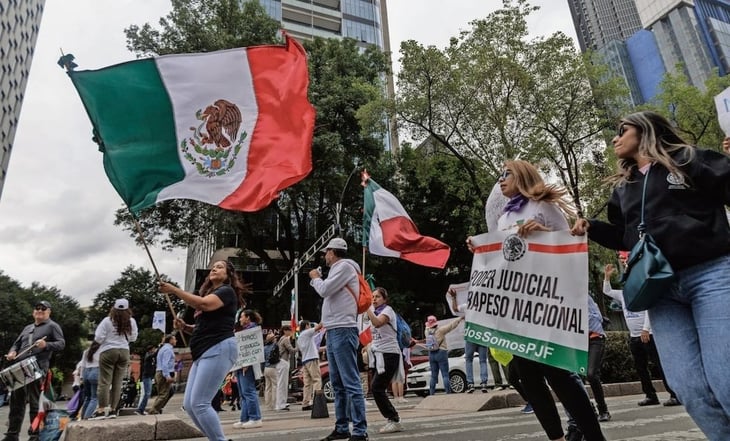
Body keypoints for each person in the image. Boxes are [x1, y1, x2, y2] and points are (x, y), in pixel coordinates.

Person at [571, 111, 730, 440]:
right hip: (660, 292)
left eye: (622, 130)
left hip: (711, 275)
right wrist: (591, 227)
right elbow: (625, 236)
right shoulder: (625, 188)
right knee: (688, 386)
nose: (615, 138)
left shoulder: (688, 158)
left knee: (726, 380)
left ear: (644, 130)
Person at [489, 160, 605, 441]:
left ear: (522, 176)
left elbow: (571, 246)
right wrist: (482, 248)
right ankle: (556, 437)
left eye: (507, 174)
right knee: (528, 376)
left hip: (547, 303)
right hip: (518, 305)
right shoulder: (504, 217)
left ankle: (593, 436)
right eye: (499, 174)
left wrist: (544, 234)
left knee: (558, 375)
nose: (501, 179)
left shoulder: (544, 207)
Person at [160, 260, 248, 441]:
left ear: (228, 275)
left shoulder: (226, 291)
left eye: (220, 267)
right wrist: (185, 327)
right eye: (213, 267)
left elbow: (204, 305)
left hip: (219, 348)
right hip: (203, 352)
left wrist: (174, 290)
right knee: (190, 405)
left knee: (200, 403)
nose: (214, 269)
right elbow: (203, 325)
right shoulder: (213, 294)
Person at [308, 237, 368, 441]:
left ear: (333, 252)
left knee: (350, 382)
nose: (325, 256)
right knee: (337, 383)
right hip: (334, 330)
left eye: (326, 252)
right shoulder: (339, 269)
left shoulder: (344, 267)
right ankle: (342, 427)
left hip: (343, 329)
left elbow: (324, 290)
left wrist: (315, 277)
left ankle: (359, 430)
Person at [603, 261, 679, 407]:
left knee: (659, 365)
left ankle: (674, 394)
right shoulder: (623, 295)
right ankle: (650, 395)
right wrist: (606, 278)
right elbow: (607, 291)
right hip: (634, 337)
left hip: (648, 335)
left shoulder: (643, 291)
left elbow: (650, 311)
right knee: (640, 367)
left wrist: (645, 329)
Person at [2, 300, 65, 441]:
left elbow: (61, 344)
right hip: (20, 368)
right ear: (33, 312)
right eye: (37, 309)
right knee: (16, 403)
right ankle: (12, 435)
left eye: (44, 309)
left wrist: (46, 344)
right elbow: (16, 344)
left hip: (37, 368)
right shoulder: (27, 328)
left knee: (35, 403)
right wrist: (12, 352)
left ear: (49, 312)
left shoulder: (53, 326)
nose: (40, 311)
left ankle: (35, 435)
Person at [365, 287, 404, 434]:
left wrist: (366, 308)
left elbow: (377, 323)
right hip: (379, 355)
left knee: (377, 387)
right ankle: (392, 418)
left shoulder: (387, 311)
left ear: (384, 299)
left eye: (377, 297)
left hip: (389, 354)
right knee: (377, 387)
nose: (374, 299)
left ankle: (394, 419)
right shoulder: (373, 312)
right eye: (372, 297)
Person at [91, 298, 138, 419]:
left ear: (114, 308)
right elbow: (133, 338)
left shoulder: (107, 321)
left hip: (108, 351)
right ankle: (113, 409)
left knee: (105, 382)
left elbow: (98, 337)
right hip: (124, 351)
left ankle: (101, 410)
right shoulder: (131, 321)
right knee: (117, 382)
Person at [448, 288, 490, 393]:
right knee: (483, 360)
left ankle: (470, 383)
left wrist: (454, 297)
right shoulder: (483, 308)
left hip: (470, 335)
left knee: (469, 360)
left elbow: (455, 309)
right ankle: (484, 383)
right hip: (481, 335)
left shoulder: (467, 306)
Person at [232, 309, 263, 429]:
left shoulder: (252, 329)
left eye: (242, 317)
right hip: (241, 365)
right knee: (243, 392)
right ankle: (245, 418)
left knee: (248, 391)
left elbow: (252, 348)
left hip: (247, 365)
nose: (240, 319)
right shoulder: (245, 330)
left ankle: (255, 418)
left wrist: (247, 362)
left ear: (248, 318)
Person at [423, 314, 464, 395]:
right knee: (445, 374)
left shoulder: (426, 331)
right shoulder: (441, 330)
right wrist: (460, 318)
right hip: (441, 352)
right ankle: (448, 392)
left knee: (433, 375)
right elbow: (451, 325)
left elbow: (427, 328)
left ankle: (431, 393)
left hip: (431, 353)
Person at [297, 320, 324, 411]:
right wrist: (325, 316)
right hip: (312, 359)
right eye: (309, 325)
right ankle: (317, 401)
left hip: (305, 360)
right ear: (307, 325)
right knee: (316, 380)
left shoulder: (300, 337)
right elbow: (319, 326)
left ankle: (305, 403)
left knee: (307, 384)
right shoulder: (307, 333)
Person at [149, 334, 177, 414]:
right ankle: (154, 410)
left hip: (161, 372)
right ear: (170, 340)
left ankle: (159, 407)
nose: (176, 341)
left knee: (170, 391)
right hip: (163, 373)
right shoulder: (167, 350)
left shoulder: (163, 348)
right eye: (174, 339)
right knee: (163, 394)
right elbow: (165, 363)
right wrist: (167, 376)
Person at [274, 325, 295, 412]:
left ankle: (281, 403)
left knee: (280, 384)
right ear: (285, 331)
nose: (291, 332)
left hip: (279, 362)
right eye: (290, 330)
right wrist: (300, 347)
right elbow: (291, 350)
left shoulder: (280, 339)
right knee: (282, 384)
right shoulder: (285, 339)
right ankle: (281, 404)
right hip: (283, 362)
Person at [79, 341, 101, 420]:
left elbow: (82, 365)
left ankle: (82, 417)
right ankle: (86, 417)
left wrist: (81, 377)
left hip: (86, 372)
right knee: (94, 398)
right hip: (96, 371)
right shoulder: (101, 350)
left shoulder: (86, 351)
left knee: (87, 397)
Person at [135, 345, 157, 415]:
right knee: (146, 394)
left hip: (149, 377)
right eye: (153, 349)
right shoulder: (147, 356)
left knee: (147, 394)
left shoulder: (152, 358)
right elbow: (153, 355)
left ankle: (141, 409)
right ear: (150, 350)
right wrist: (160, 346)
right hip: (146, 377)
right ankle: (140, 409)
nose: (154, 350)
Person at [262, 332, 278, 410]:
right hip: (273, 367)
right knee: (275, 386)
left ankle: (268, 405)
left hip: (266, 368)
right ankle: (274, 404)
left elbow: (263, 360)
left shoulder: (264, 348)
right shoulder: (275, 346)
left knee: (267, 387)